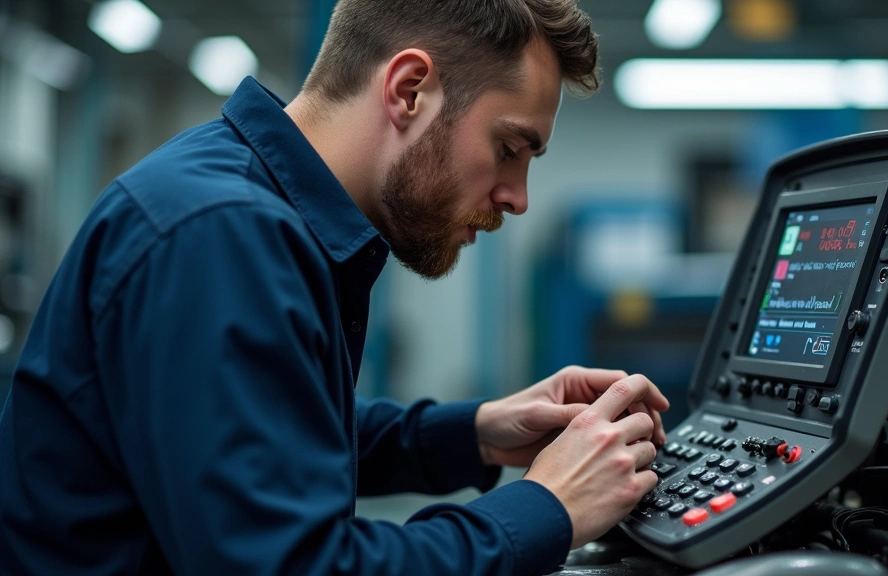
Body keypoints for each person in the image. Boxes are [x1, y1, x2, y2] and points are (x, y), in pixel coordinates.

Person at [0, 1, 670, 574]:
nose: (517, 198)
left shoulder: (249, 207)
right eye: (510, 148)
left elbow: (268, 437)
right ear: (409, 89)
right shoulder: (222, 236)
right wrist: (547, 506)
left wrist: (477, 434)